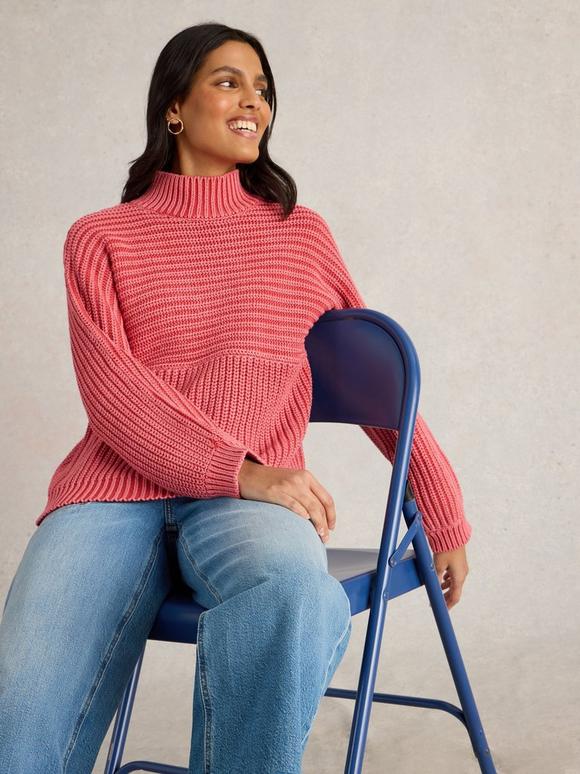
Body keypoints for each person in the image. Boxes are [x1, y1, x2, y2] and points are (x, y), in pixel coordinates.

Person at [0, 22, 472, 774]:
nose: (255, 101)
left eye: (263, 88)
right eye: (229, 82)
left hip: (245, 509)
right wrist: (243, 470)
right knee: (21, 701)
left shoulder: (299, 235)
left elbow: (380, 389)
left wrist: (438, 506)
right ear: (174, 106)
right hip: (114, 493)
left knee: (297, 597)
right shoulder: (101, 238)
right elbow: (114, 395)